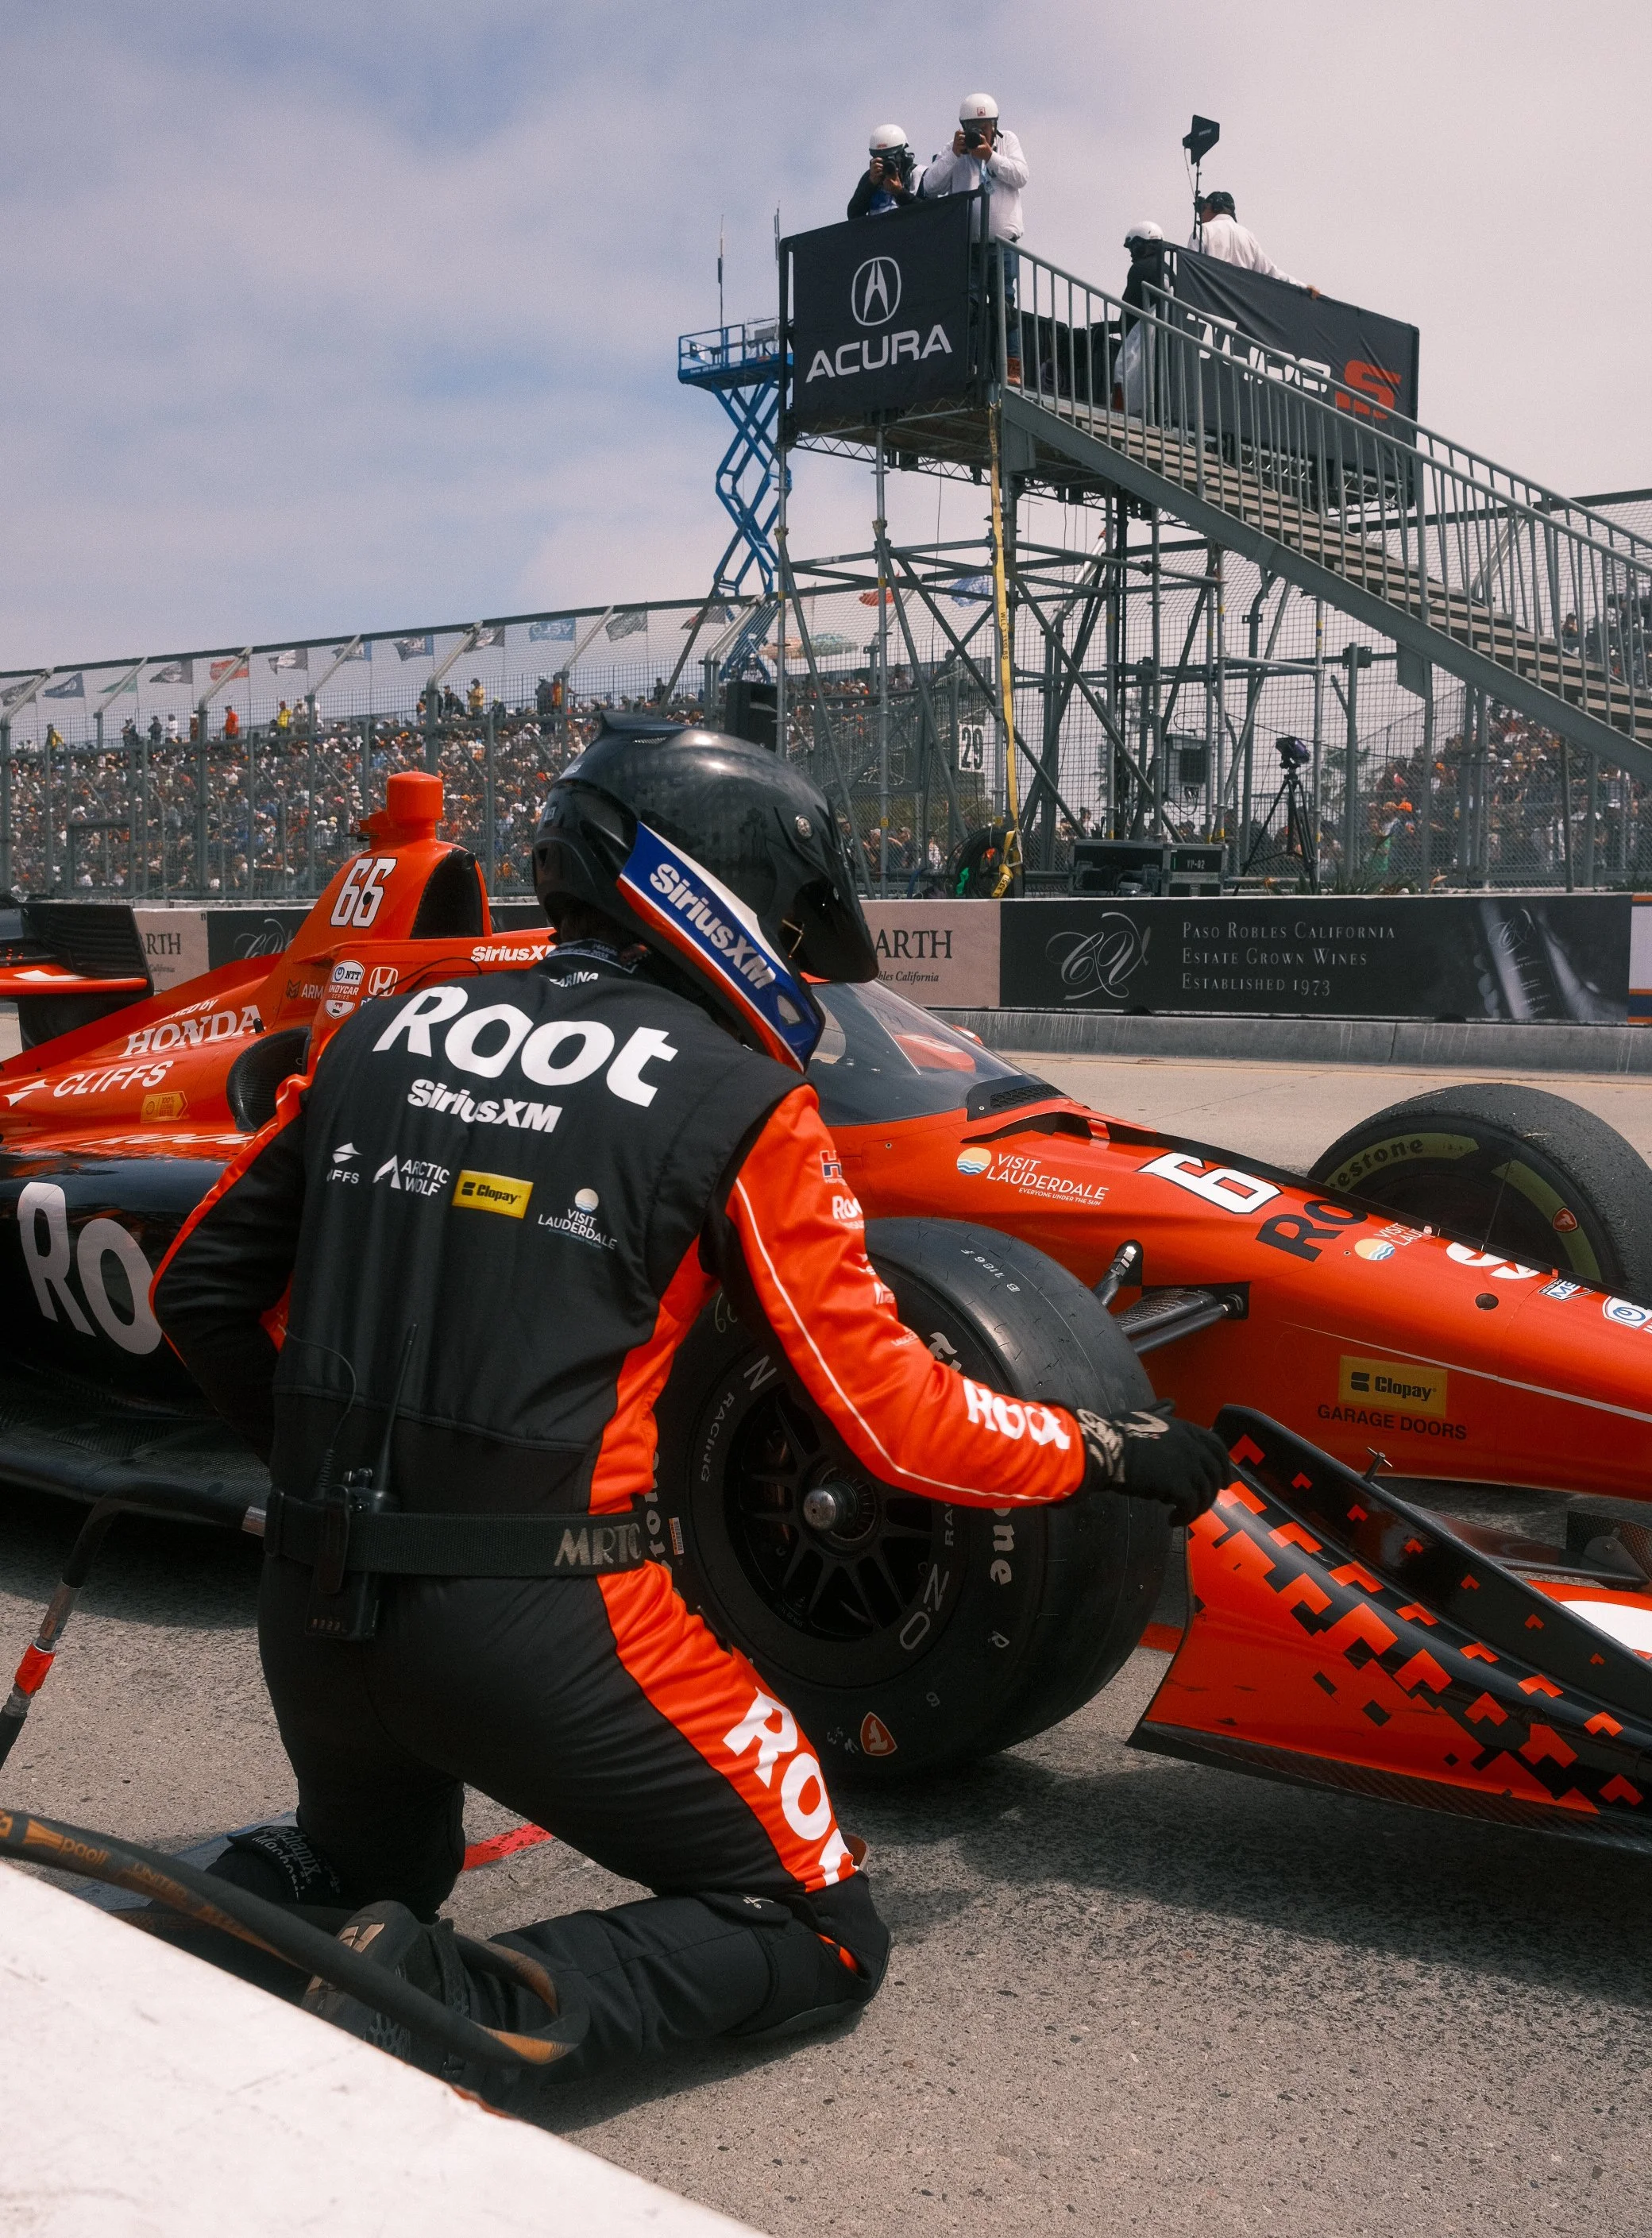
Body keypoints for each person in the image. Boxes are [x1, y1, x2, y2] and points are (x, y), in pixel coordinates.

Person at [152, 730, 1227, 2101]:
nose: (789, 946)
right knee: (821, 1925)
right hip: (536, 1627)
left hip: (309, 1612)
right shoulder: (739, 1097)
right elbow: (895, 1425)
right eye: (784, 916)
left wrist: (327, 1492)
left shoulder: (378, 1031)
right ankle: (452, 2007)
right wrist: (1110, 1449)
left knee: (383, 1868)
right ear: (714, 897)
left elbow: (200, 1290)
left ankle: (186, 1928)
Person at [921, 95, 1029, 375]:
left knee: (1004, 306)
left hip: (1003, 245)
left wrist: (989, 157)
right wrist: (954, 155)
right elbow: (930, 187)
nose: (980, 133)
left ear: (995, 125)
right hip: (969, 247)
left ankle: (1011, 368)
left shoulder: (1008, 142)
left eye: (985, 126)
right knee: (969, 309)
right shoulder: (955, 149)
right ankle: (968, 367)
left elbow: (1021, 176)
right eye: (973, 127)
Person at [1190, 191, 1318, 297]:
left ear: (1215, 207)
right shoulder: (1248, 237)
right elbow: (1271, 272)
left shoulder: (1203, 231)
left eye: (1204, 208)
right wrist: (1303, 287)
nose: (1201, 214)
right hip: (1238, 307)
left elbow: (1190, 269)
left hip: (1208, 300)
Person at [847, 124, 917, 219]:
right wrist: (870, 185)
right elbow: (853, 215)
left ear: (902, 154)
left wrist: (900, 192)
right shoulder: (870, 177)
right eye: (880, 158)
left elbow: (932, 213)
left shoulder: (917, 174)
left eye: (891, 157)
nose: (886, 162)